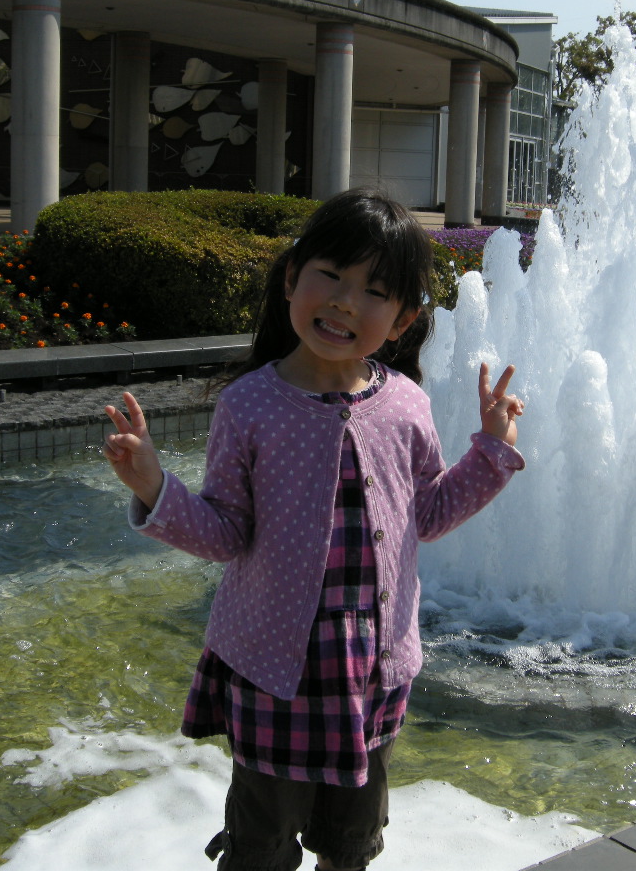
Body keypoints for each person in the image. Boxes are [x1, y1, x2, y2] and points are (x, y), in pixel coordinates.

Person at [103, 187, 525, 871]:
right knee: (261, 846)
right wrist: (154, 487)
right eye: (331, 274)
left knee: (352, 843)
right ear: (294, 274)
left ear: (403, 319)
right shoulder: (251, 405)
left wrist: (491, 451)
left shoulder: (406, 404)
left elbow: (429, 516)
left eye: (375, 291)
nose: (346, 301)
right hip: (276, 670)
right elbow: (225, 533)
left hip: (374, 674)